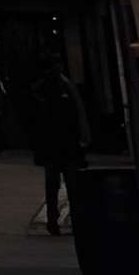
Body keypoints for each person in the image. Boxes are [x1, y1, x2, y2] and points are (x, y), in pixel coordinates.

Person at [27, 60, 88, 235]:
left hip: (54, 144)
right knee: (70, 184)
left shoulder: (42, 89)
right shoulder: (64, 87)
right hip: (65, 143)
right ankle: (66, 219)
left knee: (54, 183)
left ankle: (54, 219)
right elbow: (78, 111)